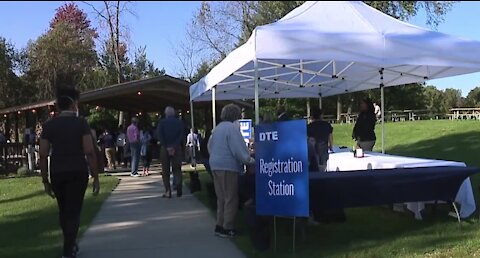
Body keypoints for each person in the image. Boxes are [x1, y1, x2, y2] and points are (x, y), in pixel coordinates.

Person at [39, 87, 100, 258]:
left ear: (58, 106)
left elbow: (43, 154)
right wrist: (95, 176)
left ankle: (70, 244)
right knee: (74, 210)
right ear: (74, 105)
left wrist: (45, 180)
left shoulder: (49, 126)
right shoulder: (81, 124)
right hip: (77, 170)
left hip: (57, 171)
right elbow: (89, 151)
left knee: (64, 209)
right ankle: (69, 246)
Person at [208, 104, 255, 238]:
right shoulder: (232, 129)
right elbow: (238, 149)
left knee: (221, 197)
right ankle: (228, 227)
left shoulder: (217, 129)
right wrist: (250, 160)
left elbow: (210, 146)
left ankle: (219, 224)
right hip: (227, 166)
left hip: (215, 164)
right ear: (236, 115)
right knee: (231, 197)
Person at [157, 106, 185, 198]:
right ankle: (178, 186)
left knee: (165, 170)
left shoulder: (162, 123)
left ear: (166, 114)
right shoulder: (179, 122)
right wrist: (174, 146)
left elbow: (160, 136)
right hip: (177, 147)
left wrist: (167, 146)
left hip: (165, 148)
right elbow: (181, 135)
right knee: (177, 169)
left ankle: (167, 190)